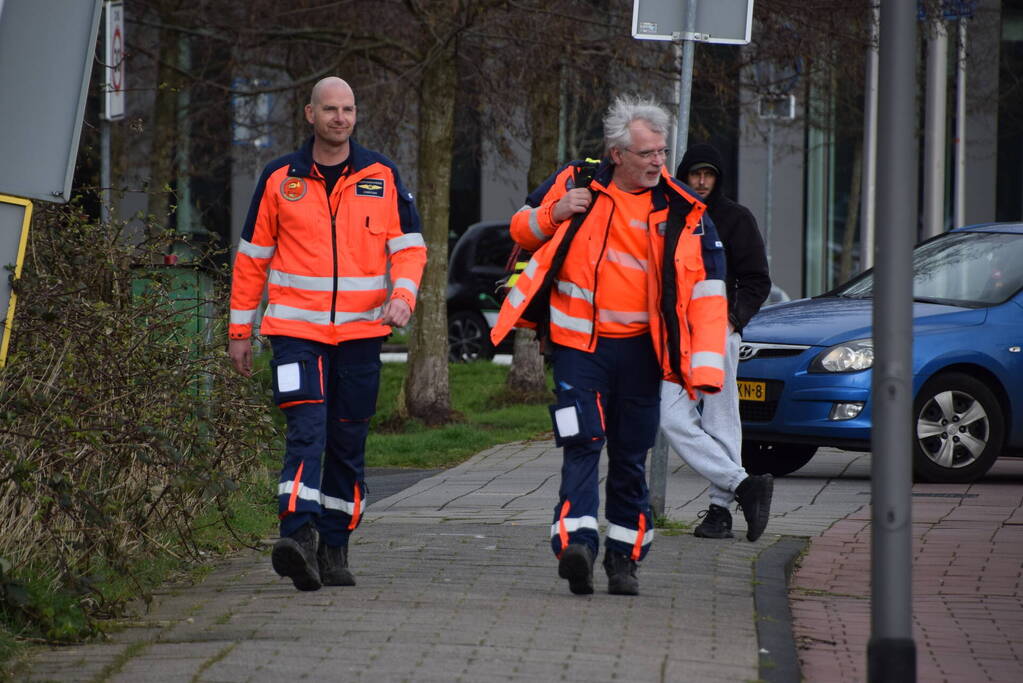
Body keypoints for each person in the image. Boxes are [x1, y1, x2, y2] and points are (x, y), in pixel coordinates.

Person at [491, 96, 728, 596]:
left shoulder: (684, 209)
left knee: (628, 455)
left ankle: (625, 558)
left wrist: (705, 371)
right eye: (647, 153)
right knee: (582, 443)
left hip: (643, 355)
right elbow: (519, 229)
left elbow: (708, 295)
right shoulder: (577, 182)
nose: (657, 162)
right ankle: (577, 543)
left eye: (662, 152)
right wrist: (556, 212)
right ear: (617, 154)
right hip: (579, 348)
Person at [227, 77, 426, 591]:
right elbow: (252, 260)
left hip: (362, 334)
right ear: (309, 114)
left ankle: (336, 546)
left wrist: (402, 297)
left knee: (346, 443)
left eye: (349, 110)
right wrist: (239, 330)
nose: (341, 118)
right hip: (295, 332)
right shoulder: (279, 179)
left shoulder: (381, 175)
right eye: (330, 109)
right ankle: (297, 536)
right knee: (306, 432)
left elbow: (410, 248)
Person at [660, 142, 774, 542]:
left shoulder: (735, 218)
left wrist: (731, 319)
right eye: (695, 173)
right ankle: (744, 484)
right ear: (683, 175)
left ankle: (720, 511)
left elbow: (758, 280)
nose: (702, 181)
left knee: (721, 417)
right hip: (674, 334)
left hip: (717, 332)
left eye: (709, 174)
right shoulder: (668, 216)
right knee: (671, 417)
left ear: (719, 177)